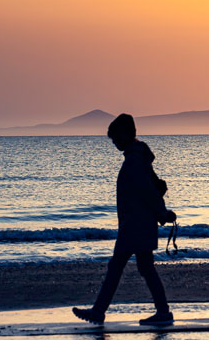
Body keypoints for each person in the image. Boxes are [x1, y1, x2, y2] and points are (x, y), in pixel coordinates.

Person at [73, 113, 177, 327]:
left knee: (120, 266)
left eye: (114, 138)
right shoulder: (138, 158)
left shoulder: (134, 161)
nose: (114, 142)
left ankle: (100, 311)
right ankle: (161, 311)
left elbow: (148, 192)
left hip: (135, 225)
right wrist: (161, 214)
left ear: (124, 134)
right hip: (137, 223)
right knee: (141, 268)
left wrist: (162, 215)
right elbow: (151, 190)